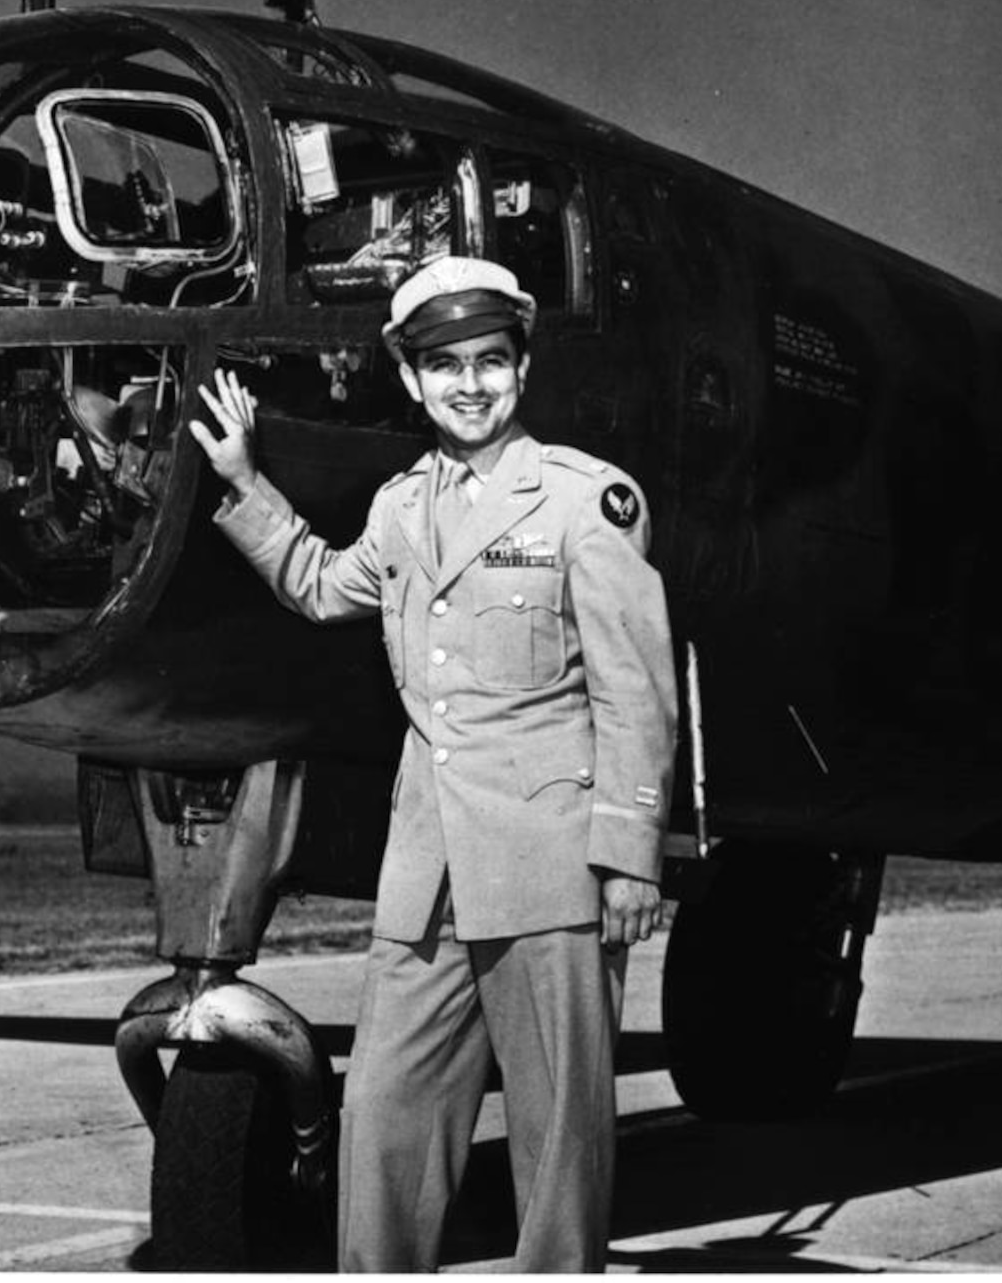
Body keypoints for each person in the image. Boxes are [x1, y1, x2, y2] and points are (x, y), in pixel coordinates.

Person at [190, 255, 678, 1272]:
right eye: (444, 365)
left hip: (552, 871)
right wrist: (242, 484)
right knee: (381, 1114)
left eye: (490, 361)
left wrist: (630, 850)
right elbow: (321, 586)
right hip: (428, 871)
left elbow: (634, 690)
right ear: (409, 379)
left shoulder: (586, 503)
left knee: (558, 1144)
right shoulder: (401, 507)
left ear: (522, 366)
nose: (469, 384)